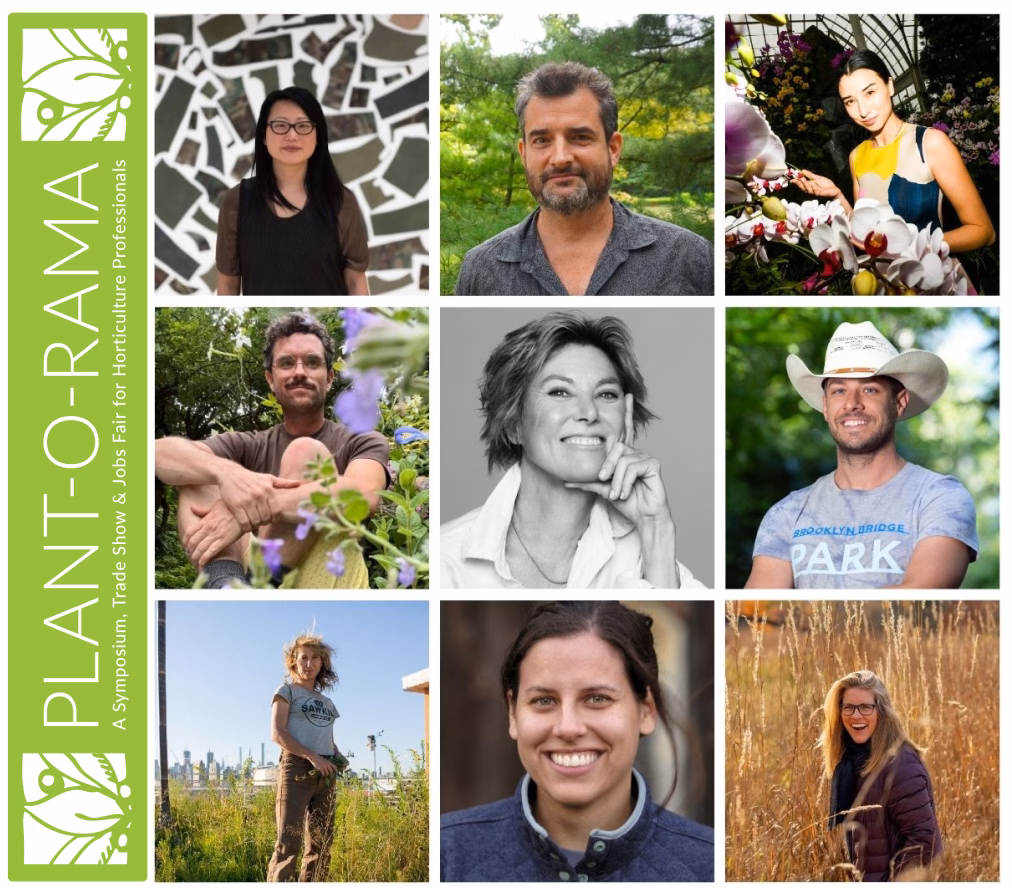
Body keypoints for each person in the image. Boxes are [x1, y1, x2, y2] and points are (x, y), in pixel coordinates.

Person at [440, 601, 714, 882]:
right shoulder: (444, 855)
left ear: (646, 709)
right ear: (513, 713)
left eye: (597, 698)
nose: (568, 728)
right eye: (544, 701)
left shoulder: (712, 865)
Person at [441, 312, 706, 589]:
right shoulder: (445, 561)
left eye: (606, 394)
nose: (589, 413)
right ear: (512, 424)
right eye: (560, 392)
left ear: (626, 415)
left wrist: (655, 526)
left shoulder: (646, 554)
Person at [154, 312, 388, 587]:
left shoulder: (362, 439)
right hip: (244, 573)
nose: (299, 372)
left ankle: (257, 587)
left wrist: (256, 507)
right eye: (286, 363)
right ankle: (226, 586)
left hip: (329, 578)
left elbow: (363, 496)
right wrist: (227, 474)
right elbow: (157, 453)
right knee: (197, 472)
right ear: (270, 379)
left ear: (328, 378)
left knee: (304, 453)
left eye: (312, 362)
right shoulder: (248, 444)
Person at [745, 320, 977, 589]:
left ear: (899, 402)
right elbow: (758, 609)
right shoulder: (787, 513)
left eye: (869, 389)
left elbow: (915, 600)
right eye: (839, 391)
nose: (852, 404)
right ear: (825, 406)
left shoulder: (939, 497)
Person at [453, 62, 713, 295]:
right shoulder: (481, 269)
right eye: (542, 140)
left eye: (580, 137)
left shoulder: (689, 258)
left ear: (613, 149)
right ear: (524, 154)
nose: (560, 158)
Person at [795, 50, 994, 253]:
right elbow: (865, 232)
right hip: (881, 273)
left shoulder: (929, 143)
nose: (863, 110)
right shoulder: (857, 156)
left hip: (929, 272)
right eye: (850, 101)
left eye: (870, 93)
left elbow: (983, 231)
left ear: (889, 85)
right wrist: (837, 195)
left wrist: (912, 248)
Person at [216, 86, 370, 295]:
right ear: (264, 135)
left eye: (303, 126)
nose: (292, 135)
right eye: (280, 125)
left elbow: (355, 280)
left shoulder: (341, 200)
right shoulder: (237, 201)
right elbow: (228, 282)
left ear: (317, 135)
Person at [820, 669, 942, 881]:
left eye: (865, 707)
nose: (856, 715)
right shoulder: (853, 762)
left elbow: (925, 843)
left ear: (882, 711)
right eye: (848, 707)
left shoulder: (900, 764)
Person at [267, 631, 348, 881]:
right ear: (294, 661)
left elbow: (328, 739)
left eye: (315, 658)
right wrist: (313, 757)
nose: (309, 663)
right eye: (303, 658)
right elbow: (278, 733)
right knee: (288, 841)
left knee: (321, 843)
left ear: (322, 663)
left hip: (325, 771)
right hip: (297, 768)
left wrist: (337, 757)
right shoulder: (287, 691)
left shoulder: (327, 703)